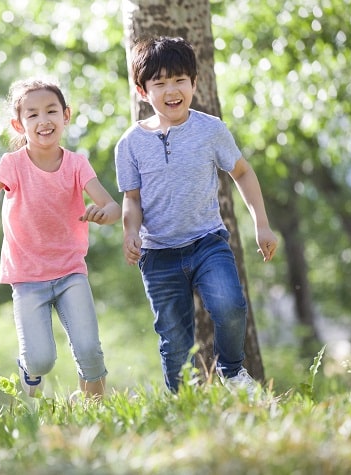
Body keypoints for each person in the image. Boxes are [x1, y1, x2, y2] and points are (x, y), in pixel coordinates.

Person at [114, 36, 278, 394]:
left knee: (231, 306)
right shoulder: (129, 144)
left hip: (207, 242)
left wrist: (260, 224)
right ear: (143, 91)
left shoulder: (210, 130)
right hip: (158, 255)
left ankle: (232, 371)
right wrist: (130, 233)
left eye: (179, 81)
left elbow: (244, 173)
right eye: (159, 83)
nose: (171, 90)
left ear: (194, 83)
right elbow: (131, 199)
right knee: (174, 341)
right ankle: (183, 401)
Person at [0, 78, 121, 400]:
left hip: (70, 271)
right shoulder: (12, 165)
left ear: (66, 115)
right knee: (40, 360)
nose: (43, 120)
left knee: (89, 350)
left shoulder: (77, 164)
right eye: (32, 115)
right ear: (18, 125)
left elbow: (113, 206)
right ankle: (28, 367)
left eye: (51, 111)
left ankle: (94, 407)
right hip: (27, 277)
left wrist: (104, 213)